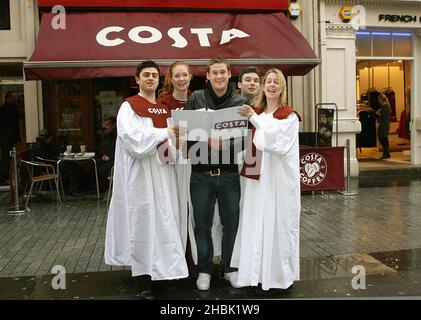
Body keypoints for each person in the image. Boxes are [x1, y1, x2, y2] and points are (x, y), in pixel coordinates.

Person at [104, 60, 188, 300]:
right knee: (142, 223)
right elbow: (133, 141)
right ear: (137, 80)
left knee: (164, 221)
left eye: (154, 75)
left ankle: (165, 271)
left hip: (162, 175)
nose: (151, 78)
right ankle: (143, 279)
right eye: (146, 75)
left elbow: (169, 147)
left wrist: (175, 144)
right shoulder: (128, 107)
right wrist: (165, 134)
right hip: (139, 178)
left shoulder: (163, 109)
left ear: (159, 80)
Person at [231, 68, 301, 291]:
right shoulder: (257, 113)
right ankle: (255, 272)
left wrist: (255, 118)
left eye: (276, 82)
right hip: (257, 178)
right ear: (263, 86)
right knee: (255, 220)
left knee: (277, 222)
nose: (271, 85)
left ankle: (278, 275)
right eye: (268, 81)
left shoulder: (288, 116)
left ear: (282, 88)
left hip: (277, 180)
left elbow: (278, 144)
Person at [184, 56, 248, 291]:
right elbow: (184, 131)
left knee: (231, 224)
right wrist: (206, 137)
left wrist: (227, 146)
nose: (219, 76)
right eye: (215, 73)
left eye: (223, 72)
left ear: (229, 74)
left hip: (230, 173)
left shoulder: (240, 101)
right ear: (207, 76)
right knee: (202, 224)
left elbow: (245, 139)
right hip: (200, 173)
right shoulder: (196, 98)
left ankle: (230, 267)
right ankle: (205, 269)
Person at [32, 129, 82, 197]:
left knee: (73, 165)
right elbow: (46, 158)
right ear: (48, 138)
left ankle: (71, 189)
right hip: (50, 167)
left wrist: (59, 157)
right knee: (73, 166)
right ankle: (72, 190)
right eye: (51, 138)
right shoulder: (41, 146)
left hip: (51, 165)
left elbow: (50, 155)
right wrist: (59, 158)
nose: (51, 139)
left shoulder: (41, 144)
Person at [0, 92, 21, 185]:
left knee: (7, 157)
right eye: (13, 98)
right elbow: (18, 114)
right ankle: (4, 179)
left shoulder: (7, 108)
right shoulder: (6, 108)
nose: (15, 100)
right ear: (8, 98)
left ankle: (5, 177)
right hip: (6, 137)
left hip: (7, 137)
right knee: (6, 158)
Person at [97, 116, 117, 192]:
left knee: (102, 169)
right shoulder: (106, 136)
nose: (106, 127)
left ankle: (106, 190)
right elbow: (101, 148)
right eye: (105, 125)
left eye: (108, 124)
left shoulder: (117, 136)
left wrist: (110, 157)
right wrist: (102, 156)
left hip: (114, 160)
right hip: (106, 158)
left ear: (114, 125)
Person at [377, 93, 391, 160]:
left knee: (383, 138)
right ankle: (387, 153)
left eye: (378, 99)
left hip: (384, 124)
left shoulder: (385, 107)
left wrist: (378, 113)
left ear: (380, 99)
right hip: (384, 124)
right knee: (382, 138)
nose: (378, 100)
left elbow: (384, 117)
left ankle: (385, 153)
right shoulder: (384, 106)